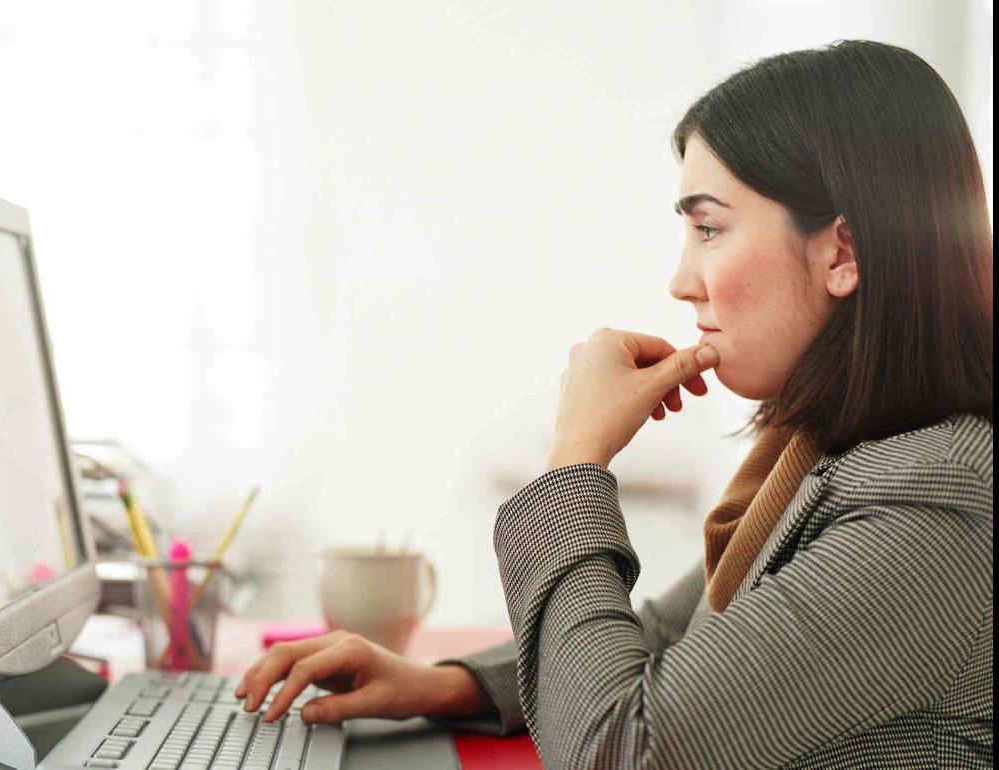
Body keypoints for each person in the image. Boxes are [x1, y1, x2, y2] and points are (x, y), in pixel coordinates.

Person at [234, 40, 993, 768]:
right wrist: (447, 684)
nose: (682, 280)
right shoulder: (840, 453)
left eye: (709, 228)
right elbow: (675, 637)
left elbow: (621, 747)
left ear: (843, 254)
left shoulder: (933, 504)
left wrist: (575, 462)